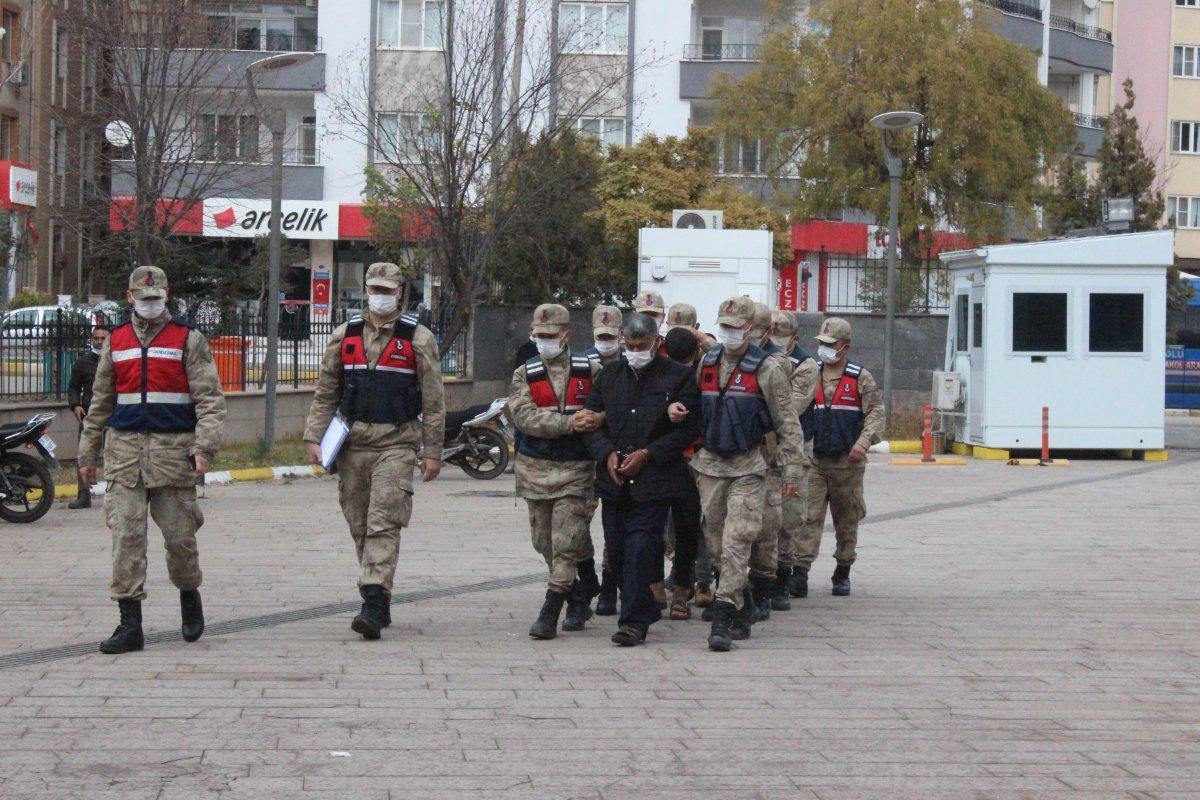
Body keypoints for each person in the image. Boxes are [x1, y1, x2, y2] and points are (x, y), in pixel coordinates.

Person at [78, 266, 227, 655]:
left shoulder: (187, 339)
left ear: (167, 295)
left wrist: (205, 449)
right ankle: (130, 625)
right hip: (125, 454)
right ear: (130, 298)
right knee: (126, 538)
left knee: (180, 538)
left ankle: (189, 597)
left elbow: (210, 400)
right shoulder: (117, 340)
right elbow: (100, 402)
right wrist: (87, 453)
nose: (150, 305)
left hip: (173, 453)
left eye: (156, 298)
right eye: (143, 299)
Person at [304, 262, 446, 640]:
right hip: (352, 446)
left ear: (400, 292)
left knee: (384, 519)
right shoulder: (343, 335)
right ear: (366, 289)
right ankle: (377, 592)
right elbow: (325, 393)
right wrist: (313, 437)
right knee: (360, 524)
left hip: (396, 443)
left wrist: (432, 450)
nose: (380, 296)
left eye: (388, 290)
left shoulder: (418, 339)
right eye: (374, 289)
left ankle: (373, 601)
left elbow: (434, 401)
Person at [671, 296, 806, 652]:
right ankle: (741, 600)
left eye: (734, 328)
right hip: (710, 466)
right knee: (715, 547)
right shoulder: (709, 362)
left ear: (750, 329)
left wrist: (792, 468)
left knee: (737, 541)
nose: (728, 333)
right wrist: (678, 411)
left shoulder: (767, 368)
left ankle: (723, 617)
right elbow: (694, 401)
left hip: (749, 465)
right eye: (724, 327)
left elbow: (787, 422)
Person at [582, 314, 700, 645]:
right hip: (615, 482)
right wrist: (606, 452)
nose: (635, 352)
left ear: (656, 343)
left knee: (641, 547)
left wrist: (647, 454)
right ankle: (645, 606)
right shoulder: (609, 375)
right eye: (629, 346)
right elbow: (593, 423)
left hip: (655, 481)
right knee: (617, 554)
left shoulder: (678, 377)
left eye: (641, 346)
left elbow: (689, 429)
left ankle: (633, 623)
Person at [509, 304, 603, 640]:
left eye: (550, 336)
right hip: (534, 469)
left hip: (577, 469)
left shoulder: (591, 368)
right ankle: (577, 593)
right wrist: (569, 423)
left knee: (566, 541)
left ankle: (550, 609)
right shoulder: (525, 373)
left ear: (566, 335)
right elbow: (525, 417)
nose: (544, 341)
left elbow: (608, 405)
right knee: (543, 542)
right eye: (539, 335)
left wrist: (597, 419)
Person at [795, 317, 884, 596]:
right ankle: (800, 572)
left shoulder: (860, 377)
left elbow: (876, 414)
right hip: (815, 460)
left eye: (830, 345)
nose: (824, 349)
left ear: (844, 347)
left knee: (847, 519)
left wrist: (863, 443)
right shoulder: (811, 374)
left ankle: (843, 569)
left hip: (847, 462)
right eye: (822, 344)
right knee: (808, 517)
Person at [768, 310, 817, 608]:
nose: (776, 344)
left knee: (790, 514)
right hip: (762, 446)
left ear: (794, 339)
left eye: (781, 340)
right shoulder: (757, 359)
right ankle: (759, 575)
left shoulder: (806, 366)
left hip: (793, 447)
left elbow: (791, 407)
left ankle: (782, 576)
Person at [661, 326, 708, 618]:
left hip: (698, 457)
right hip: (664, 457)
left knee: (695, 525)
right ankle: (680, 578)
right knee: (666, 526)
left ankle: (700, 580)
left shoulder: (708, 365)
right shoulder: (657, 366)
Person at [66, 324, 110, 509]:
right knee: (85, 455)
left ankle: (115, 495)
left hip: (113, 415)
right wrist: (75, 404)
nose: (99, 342)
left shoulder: (115, 359)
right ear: (91, 339)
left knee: (114, 456)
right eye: (96, 338)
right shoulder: (83, 362)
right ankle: (83, 495)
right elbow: (73, 386)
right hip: (89, 415)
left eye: (103, 338)